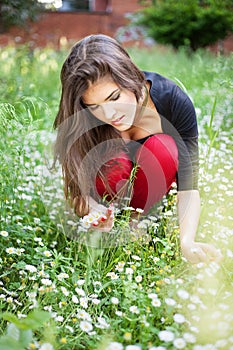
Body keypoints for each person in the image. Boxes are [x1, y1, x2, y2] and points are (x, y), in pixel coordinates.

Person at [53, 34, 221, 264]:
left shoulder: (172, 101)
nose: (110, 114)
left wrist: (186, 242)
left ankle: (136, 224)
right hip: (110, 195)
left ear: (129, 76)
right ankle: (115, 224)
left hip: (151, 189)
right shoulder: (84, 120)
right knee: (112, 162)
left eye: (115, 97)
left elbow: (189, 187)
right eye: (95, 107)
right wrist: (94, 211)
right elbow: (77, 191)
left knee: (162, 148)